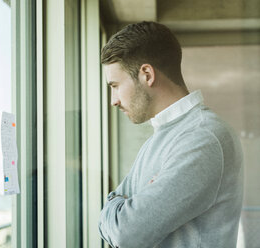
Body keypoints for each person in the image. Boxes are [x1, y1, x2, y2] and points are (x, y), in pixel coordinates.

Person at [98, 21, 244, 248]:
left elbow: (126, 233)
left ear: (147, 74)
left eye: (115, 85)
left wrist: (116, 205)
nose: (113, 100)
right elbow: (118, 217)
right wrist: (118, 206)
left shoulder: (204, 138)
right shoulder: (161, 137)